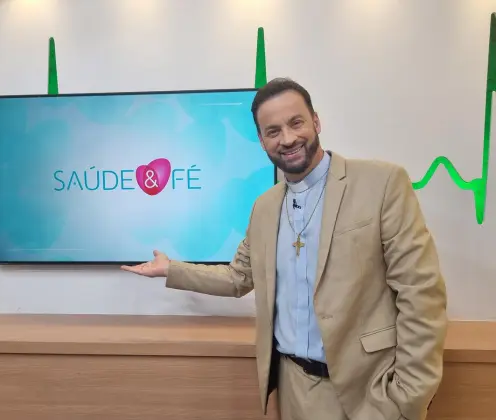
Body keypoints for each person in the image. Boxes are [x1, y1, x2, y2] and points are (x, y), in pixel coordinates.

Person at [121, 78, 448, 420]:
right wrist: (171, 269)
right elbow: (238, 277)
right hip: (293, 389)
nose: (288, 139)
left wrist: (408, 397)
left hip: (369, 392)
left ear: (316, 121)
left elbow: (421, 293)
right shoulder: (264, 206)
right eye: (273, 131)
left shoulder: (381, 183)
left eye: (296, 123)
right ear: (262, 140)